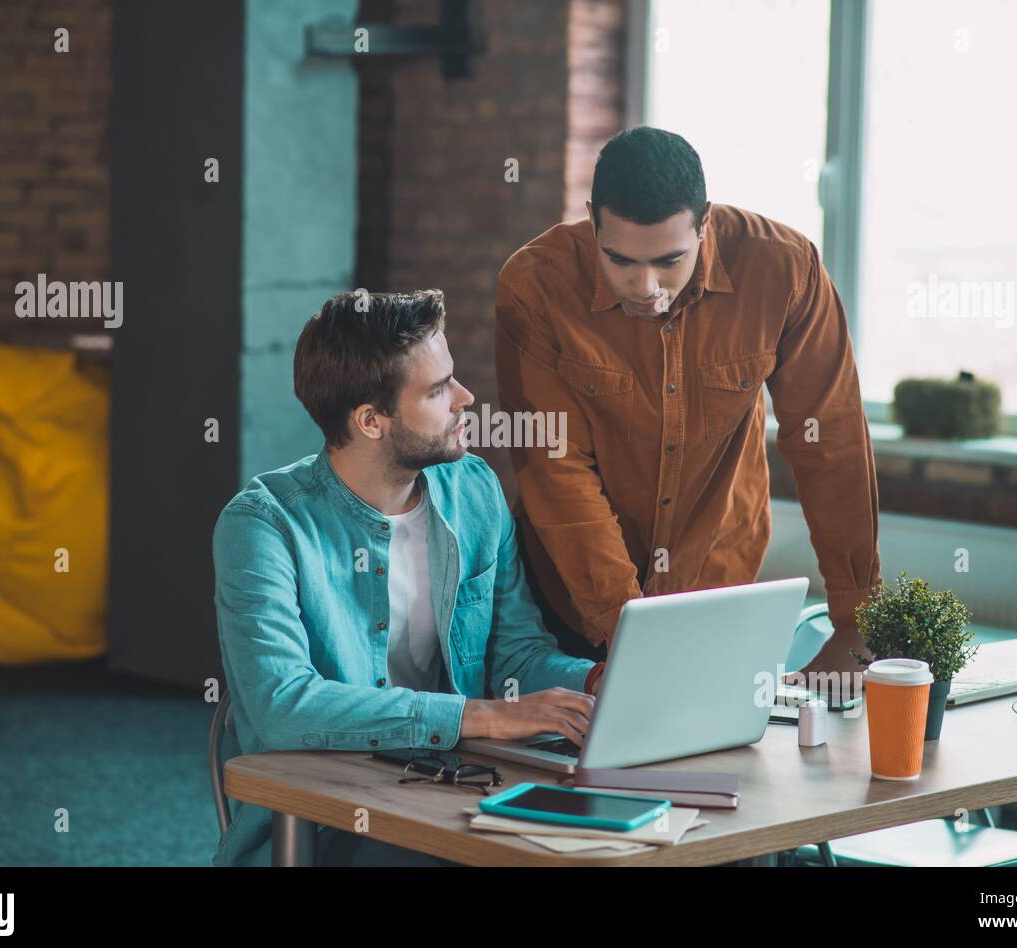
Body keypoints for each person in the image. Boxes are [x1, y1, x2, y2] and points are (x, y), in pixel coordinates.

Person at [212, 289, 603, 866]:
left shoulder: (473, 488)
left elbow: (515, 655)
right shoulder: (263, 525)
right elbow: (283, 705)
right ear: (371, 420)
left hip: (461, 788)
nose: (466, 399)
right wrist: (483, 715)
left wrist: (596, 682)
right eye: (439, 389)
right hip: (328, 817)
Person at [495, 126, 882, 690]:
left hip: (716, 588)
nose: (645, 286)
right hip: (574, 602)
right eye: (620, 260)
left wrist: (854, 620)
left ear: (705, 222)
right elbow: (556, 469)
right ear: (592, 219)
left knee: (720, 770)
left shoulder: (783, 270)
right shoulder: (536, 286)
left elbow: (831, 441)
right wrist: (628, 628)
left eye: (669, 260)